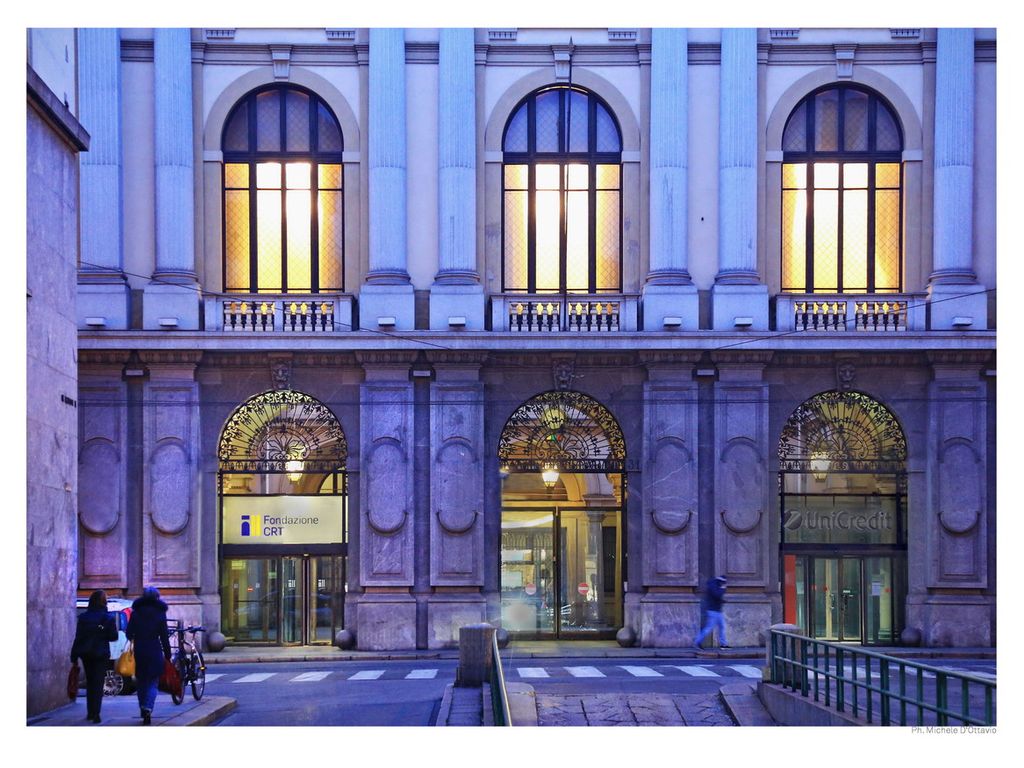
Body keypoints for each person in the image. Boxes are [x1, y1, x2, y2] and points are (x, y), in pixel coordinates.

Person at [126, 586, 172, 725]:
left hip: (140, 649)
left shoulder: (136, 613)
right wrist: (168, 653)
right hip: (154, 648)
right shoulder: (160, 613)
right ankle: (148, 707)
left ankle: (142, 706)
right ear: (156, 598)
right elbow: (164, 636)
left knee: (141, 681)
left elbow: (129, 633)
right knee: (153, 681)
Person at [70, 590, 118, 723]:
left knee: (90, 682)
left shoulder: (83, 618)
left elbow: (78, 637)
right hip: (101, 654)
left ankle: (90, 712)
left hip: (86, 654)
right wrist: (103, 633)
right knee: (98, 683)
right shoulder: (108, 618)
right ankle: (96, 712)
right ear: (104, 602)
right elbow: (114, 637)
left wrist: (74, 656)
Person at [694, 576, 729, 649]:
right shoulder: (713, 586)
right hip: (713, 611)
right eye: (724, 582)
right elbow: (717, 595)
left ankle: (723, 644)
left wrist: (722, 601)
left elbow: (716, 597)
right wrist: (723, 588)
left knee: (722, 627)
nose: (724, 584)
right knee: (709, 628)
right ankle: (697, 642)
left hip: (717, 611)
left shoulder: (715, 585)